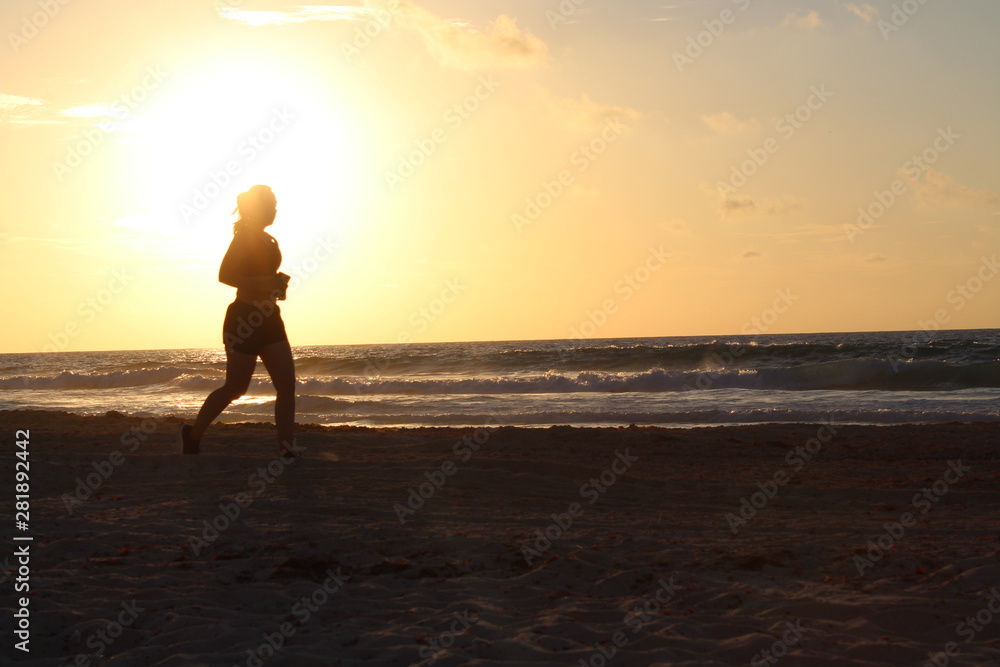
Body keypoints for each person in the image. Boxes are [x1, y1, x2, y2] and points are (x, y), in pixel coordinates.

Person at [179, 184, 298, 457]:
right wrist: (264, 283)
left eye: (276, 206)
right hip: (244, 318)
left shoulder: (268, 240)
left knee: (286, 385)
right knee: (235, 387)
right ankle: (192, 434)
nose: (276, 211)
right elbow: (225, 275)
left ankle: (287, 450)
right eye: (271, 206)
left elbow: (263, 276)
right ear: (261, 209)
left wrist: (277, 285)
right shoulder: (244, 237)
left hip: (270, 319)